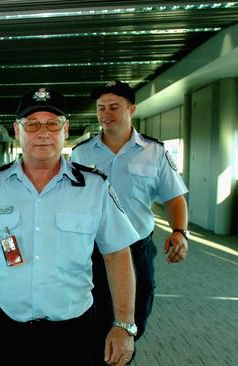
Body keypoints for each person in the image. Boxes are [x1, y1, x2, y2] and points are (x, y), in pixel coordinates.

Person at [0, 88, 141, 366]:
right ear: (18, 131)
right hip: (6, 329)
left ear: (65, 130)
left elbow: (117, 254)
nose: (43, 132)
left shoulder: (95, 187)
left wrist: (124, 324)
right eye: (32, 124)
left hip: (73, 332)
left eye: (53, 123)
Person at [70, 80, 189, 363]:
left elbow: (174, 197)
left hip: (137, 248)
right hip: (92, 251)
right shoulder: (81, 154)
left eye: (114, 107)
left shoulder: (154, 151)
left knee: (135, 316)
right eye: (101, 108)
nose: (106, 113)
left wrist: (179, 231)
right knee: (91, 315)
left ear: (131, 109)